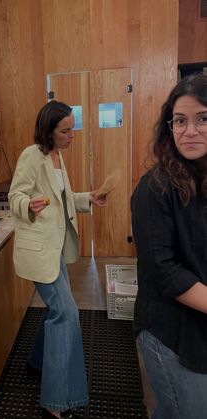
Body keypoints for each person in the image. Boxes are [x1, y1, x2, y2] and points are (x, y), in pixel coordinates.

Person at [8, 100, 107, 419]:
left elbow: (62, 199)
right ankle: (55, 402)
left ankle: (38, 362)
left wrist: (87, 198)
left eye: (72, 129)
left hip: (56, 249)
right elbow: (15, 197)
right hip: (39, 252)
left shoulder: (57, 156)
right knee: (66, 314)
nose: (71, 136)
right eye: (66, 131)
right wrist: (29, 205)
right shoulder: (31, 155)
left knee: (58, 310)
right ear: (49, 131)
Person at [131, 74, 207, 419]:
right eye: (180, 121)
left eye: (203, 118)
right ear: (170, 127)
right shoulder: (154, 188)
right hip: (170, 328)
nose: (190, 130)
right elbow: (163, 269)